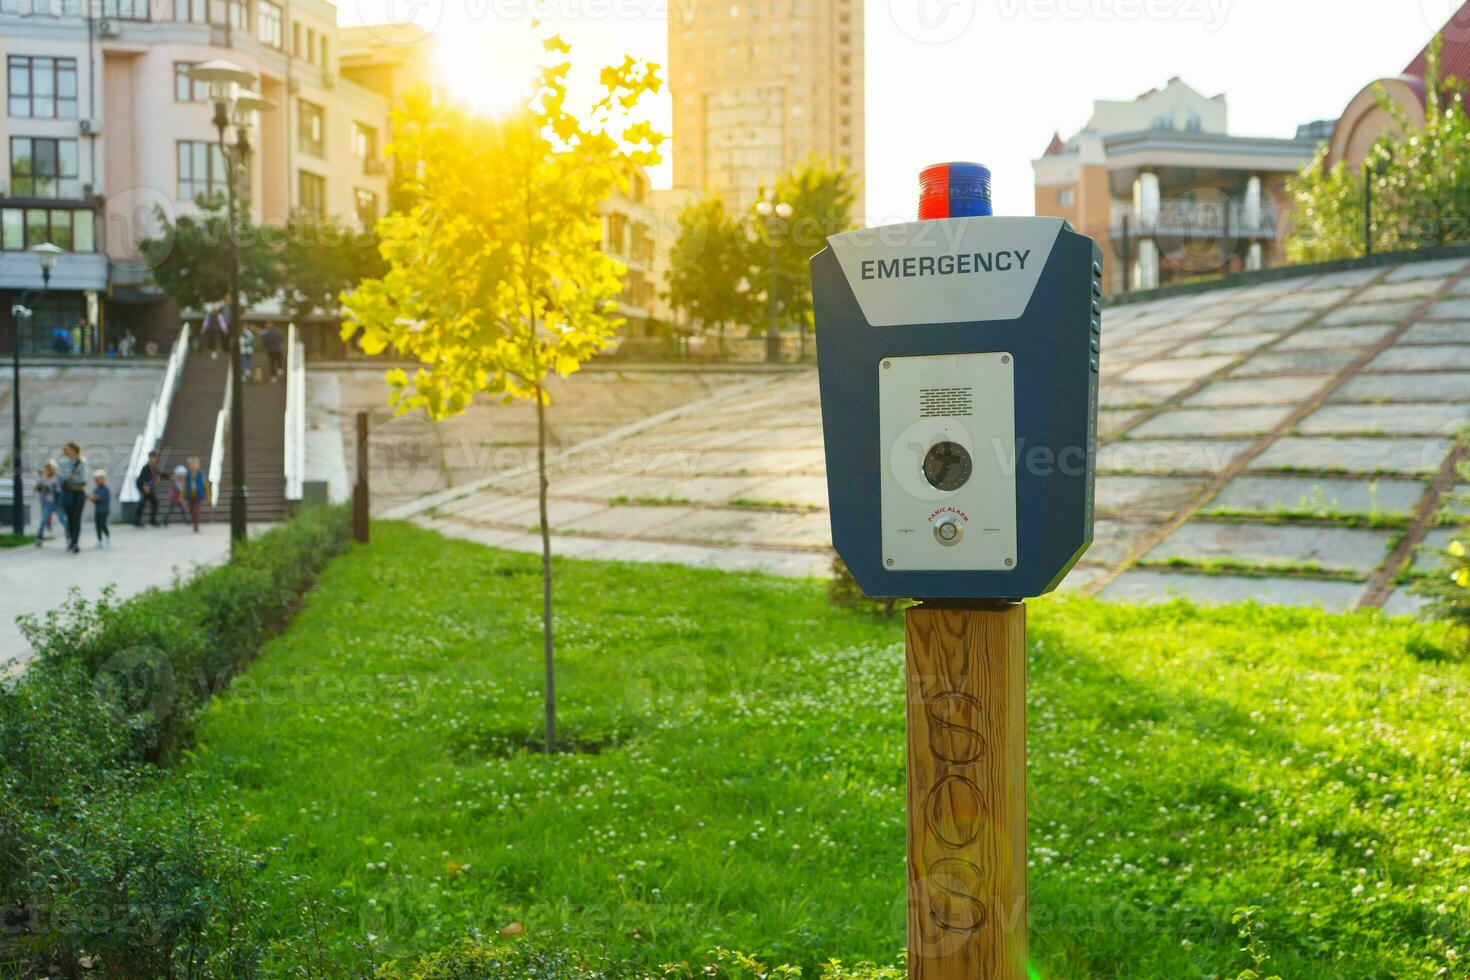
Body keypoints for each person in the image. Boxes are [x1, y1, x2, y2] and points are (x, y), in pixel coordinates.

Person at [57, 442, 88, 554]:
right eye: (66, 449)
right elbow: (59, 476)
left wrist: (69, 479)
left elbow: (83, 479)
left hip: (79, 493)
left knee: (76, 517)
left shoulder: (82, 462)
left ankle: (75, 542)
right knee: (69, 518)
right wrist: (69, 477)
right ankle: (70, 540)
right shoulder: (63, 462)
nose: (66, 451)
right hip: (67, 493)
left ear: (75, 450)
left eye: (69, 449)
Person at [33, 461, 64, 547]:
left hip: (58, 502)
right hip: (48, 502)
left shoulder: (58, 477)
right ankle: (39, 538)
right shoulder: (43, 478)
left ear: (54, 469)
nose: (49, 470)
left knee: (62, 519)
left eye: (51, 468)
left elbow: (61, 489)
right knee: (43, 519)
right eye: (47, 468)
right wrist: (38, 486)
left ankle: (70, 535)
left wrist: (54, 487)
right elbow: (37, 488)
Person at [133, 450, 161, 527]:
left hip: (149, 487)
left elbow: (160, 474)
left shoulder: (154, 466)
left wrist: (169, 477)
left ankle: (151, 520)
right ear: (151, 457)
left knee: (154, 502)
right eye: (155, 457)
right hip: (144, 487)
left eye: (157, 457)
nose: (156, 458)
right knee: (143, 503)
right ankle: (137, 521)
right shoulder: (146, 467)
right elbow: (143, 477)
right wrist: (145, 486)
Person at [184, 456, 209, 532]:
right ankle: (194, 521)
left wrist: (208, 495)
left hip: (198, 495)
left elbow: (206, 485)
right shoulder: (187, 474)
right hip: (189, 495)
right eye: (192, 464)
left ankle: (196, 525)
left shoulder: (201, 474)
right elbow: (184, 486)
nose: (194, 465)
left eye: (195, 464)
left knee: (196, 510)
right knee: (191, 511)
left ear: (198, 465)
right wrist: (182, 496)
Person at [90, 470, 111, 548]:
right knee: (97, 525)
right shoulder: (96, 489)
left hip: (104, 510)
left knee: (102, 524)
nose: (98, 481)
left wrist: (98, 498)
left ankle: (107, 536)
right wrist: (93, 499)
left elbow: (106, 499)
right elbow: (95, 501)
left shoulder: (106, 489)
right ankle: (99, 540)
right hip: (97, 510)